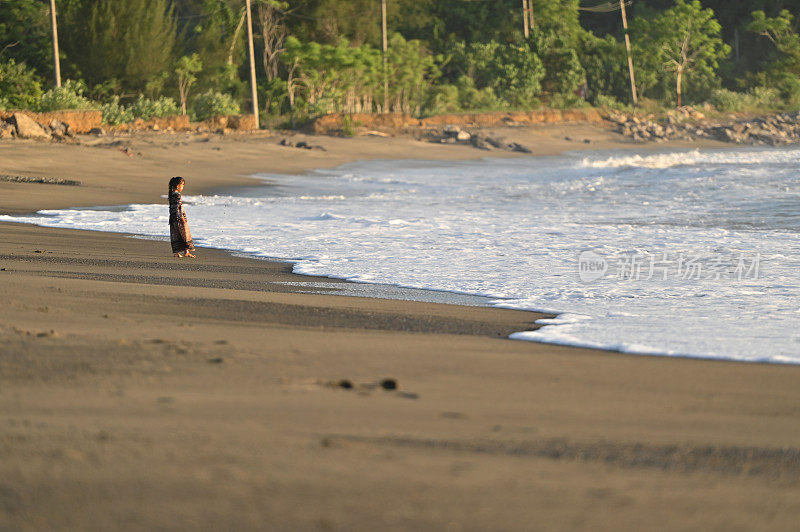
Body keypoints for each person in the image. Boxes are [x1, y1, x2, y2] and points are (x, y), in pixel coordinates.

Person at [168, 176, 196, 258]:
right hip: (179, 217)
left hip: (173, 217)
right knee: (184, 234)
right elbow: (178, 207)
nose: (183, 187)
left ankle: (177, 252)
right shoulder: (177, 195)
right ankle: (186, 251)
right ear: (177, 186)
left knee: (176, 234)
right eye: (182, 185)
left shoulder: (171, 194)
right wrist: (182, 217)